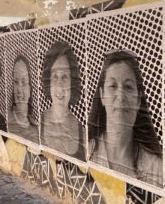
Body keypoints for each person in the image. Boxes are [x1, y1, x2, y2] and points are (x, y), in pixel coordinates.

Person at [88, 49, 162, 187]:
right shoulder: (87, 152)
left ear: (139, 99)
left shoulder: (157, 167)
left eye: (128, 87)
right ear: (102, 96)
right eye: (113, 86)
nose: (121, 96)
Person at [41, 41, 85, 160]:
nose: (60, 86)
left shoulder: (84, 133)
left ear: (72, 82)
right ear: (48, 81)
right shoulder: (37, 124)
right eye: (55, 76)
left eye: (65, 76)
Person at [8, 55, 38, 143]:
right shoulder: (6, 120)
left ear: (30, 88)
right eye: (16, 82)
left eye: (24, 82)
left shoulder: (36, 129)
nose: (19, 90)